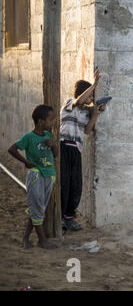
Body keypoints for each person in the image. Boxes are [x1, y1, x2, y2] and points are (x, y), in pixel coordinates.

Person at [59, 70, 105, 231]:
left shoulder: (86, 112)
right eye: (91, 95)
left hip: (76, 150)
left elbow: (87, 131)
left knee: (75, 185)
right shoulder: (69, 103)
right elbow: (80, 101)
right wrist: (95, 84)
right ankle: (60, 218)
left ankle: (69, 217)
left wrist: (95, 114)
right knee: (63, 184)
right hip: (64, 147)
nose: (91, 100)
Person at [8, 105, 58, 249]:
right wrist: (25, 162)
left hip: (49, 175)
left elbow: (55, 154)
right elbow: (12, 149)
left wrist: (53, 144)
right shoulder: (29, 137)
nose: (52, 123)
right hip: (36, 175)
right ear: (41, 121)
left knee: (38, 207)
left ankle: (25, 237)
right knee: (37, 208)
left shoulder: (48, 136)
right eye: (51, 120)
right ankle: (42, 240)